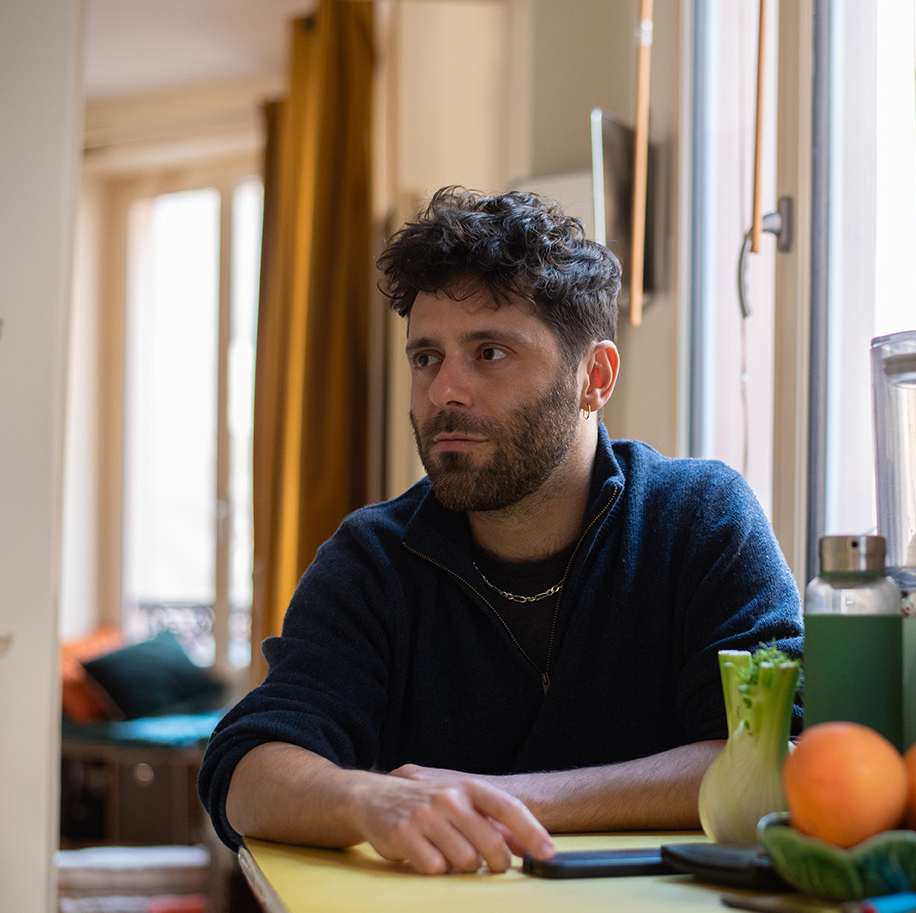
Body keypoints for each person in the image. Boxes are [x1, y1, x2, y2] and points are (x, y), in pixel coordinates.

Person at [198, 187, 803, 876]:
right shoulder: (372, 559)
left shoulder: (698, 519)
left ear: (594, 376)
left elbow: (772, 755)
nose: (443, 392)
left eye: (489, 352)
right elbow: (245, 769)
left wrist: (500, 800)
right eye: (426, 357)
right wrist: (368, 801)